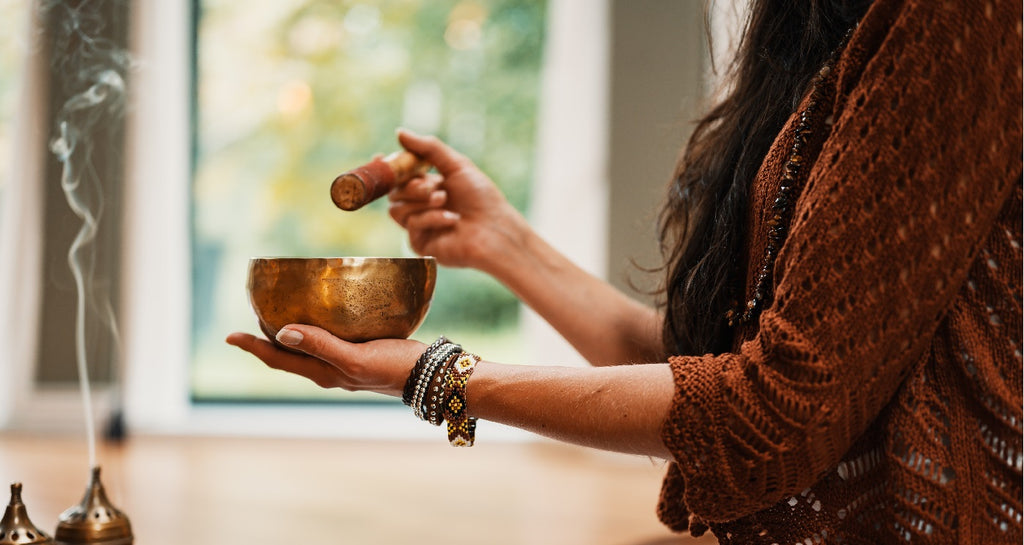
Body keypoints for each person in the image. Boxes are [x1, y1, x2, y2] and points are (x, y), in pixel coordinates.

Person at [227, 0, 1023, 542]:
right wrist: (503, 242)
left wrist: (436, 377)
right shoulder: (824, 30)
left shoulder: (965, 16)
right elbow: (705, 373)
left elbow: (775, 409)